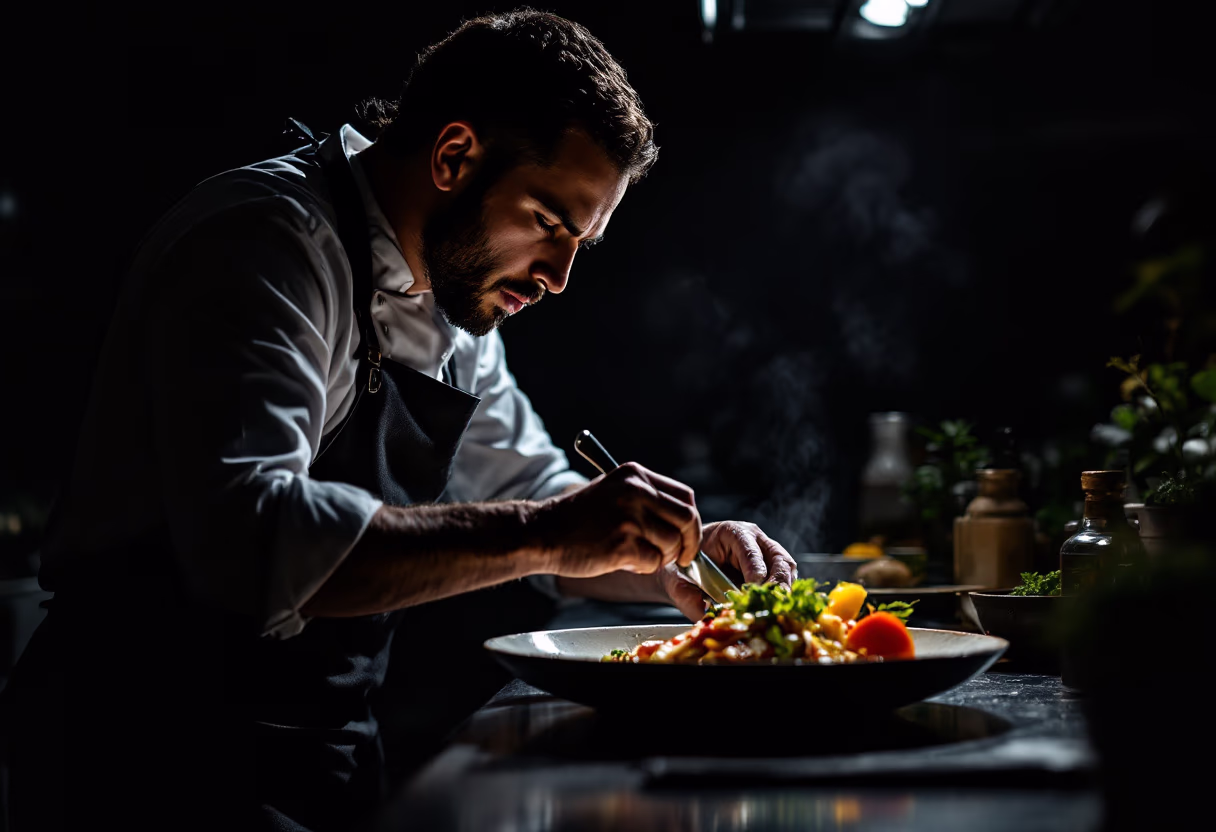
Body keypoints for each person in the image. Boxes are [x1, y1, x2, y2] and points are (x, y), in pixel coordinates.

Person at [0, 10, 795, 831]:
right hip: (142, 757)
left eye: (579, 245)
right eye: (550, 224)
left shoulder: (458, 303)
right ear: (454, 156)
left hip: (325, 747)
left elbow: (534, 490)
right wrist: (553, 530)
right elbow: (252, 541)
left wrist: (678, 565)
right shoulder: (264, 242)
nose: (558, 277)